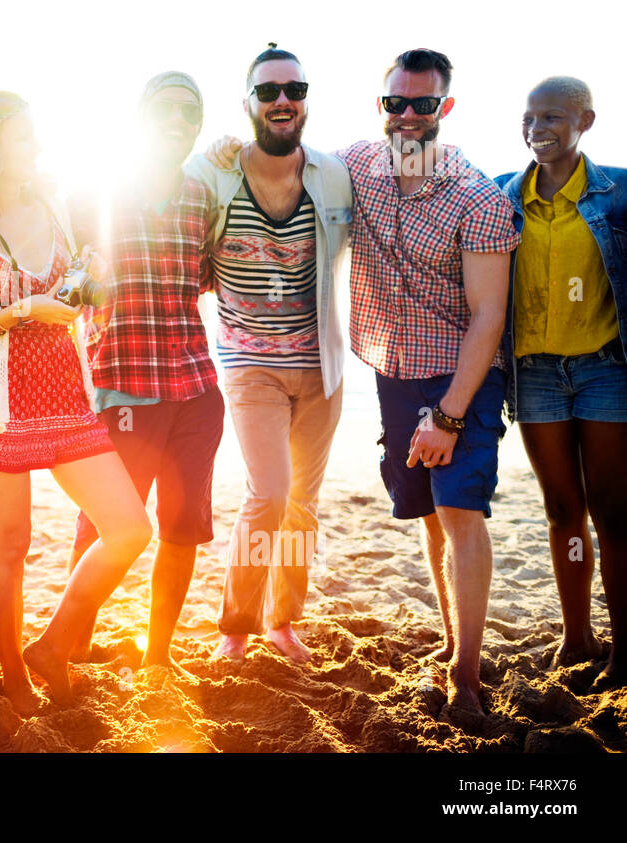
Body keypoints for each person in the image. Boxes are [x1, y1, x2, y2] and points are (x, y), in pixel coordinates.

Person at [208, 49, 518, 713]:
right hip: (391, 377)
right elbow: (285, 157)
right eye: (395, 103)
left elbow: (489, 317)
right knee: (428, 514)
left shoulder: (478, 197)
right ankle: (442, 635)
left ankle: (465, 673)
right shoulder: (358, 169)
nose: (407, 116)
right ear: (380, 107)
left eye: (422, 104)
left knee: (459, 510)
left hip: (460, 375)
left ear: (446, 108)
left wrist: (452, 414)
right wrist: (231, 146)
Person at [0, 92, 152, 714]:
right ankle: (16, 681)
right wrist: (19, 311)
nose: (39, 149)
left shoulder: (53, 206)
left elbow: (78, 286)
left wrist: (89, 276)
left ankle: (52, 645)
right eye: (26, 138)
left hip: (65, 396)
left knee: (131, 528)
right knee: (13, 542)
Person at [186, 48, 350, 664]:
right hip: (248, 363)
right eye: (268, 91)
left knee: (302, 504)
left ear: (305, 98)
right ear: (249, 103)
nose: (283, 100)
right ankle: (236, 625)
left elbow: (399, 193)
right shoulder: (213, 172)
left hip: (322, 366)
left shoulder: (334, 175)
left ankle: (283, 621)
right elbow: (167, 213)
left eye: (294, 88)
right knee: (270, 494)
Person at [66, 72, 225, 673]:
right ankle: (73, 643)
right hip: (120, 384)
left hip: (195, 387)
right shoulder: (93, 194)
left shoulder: (202, 197)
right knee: (105, 521)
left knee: (182, 529)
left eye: (191, 112)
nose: (179, 121)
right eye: (166, 109)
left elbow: (208, 276)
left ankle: (157, 659)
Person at [496, 77, 627, 691]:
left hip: (605, 369)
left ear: (585, 121)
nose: (537, 127)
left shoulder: (618, 193)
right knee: (561, 510)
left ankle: (624, 645)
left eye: (552, 116)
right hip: (538, 374)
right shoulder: (502, 196)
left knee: (614, 512)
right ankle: (578, 637)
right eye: (529, 117)